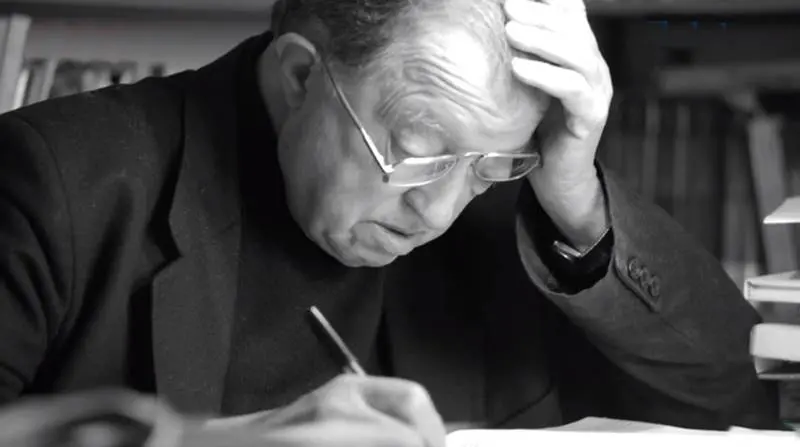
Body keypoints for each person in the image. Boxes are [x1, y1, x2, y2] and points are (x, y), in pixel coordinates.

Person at [0, 0, 784, 445]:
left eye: (490, 165)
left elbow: (737, 400)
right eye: (415, 153)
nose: (438, 209)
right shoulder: (52, 183)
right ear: (300, 75)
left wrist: (577, 196)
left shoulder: (526, 212)